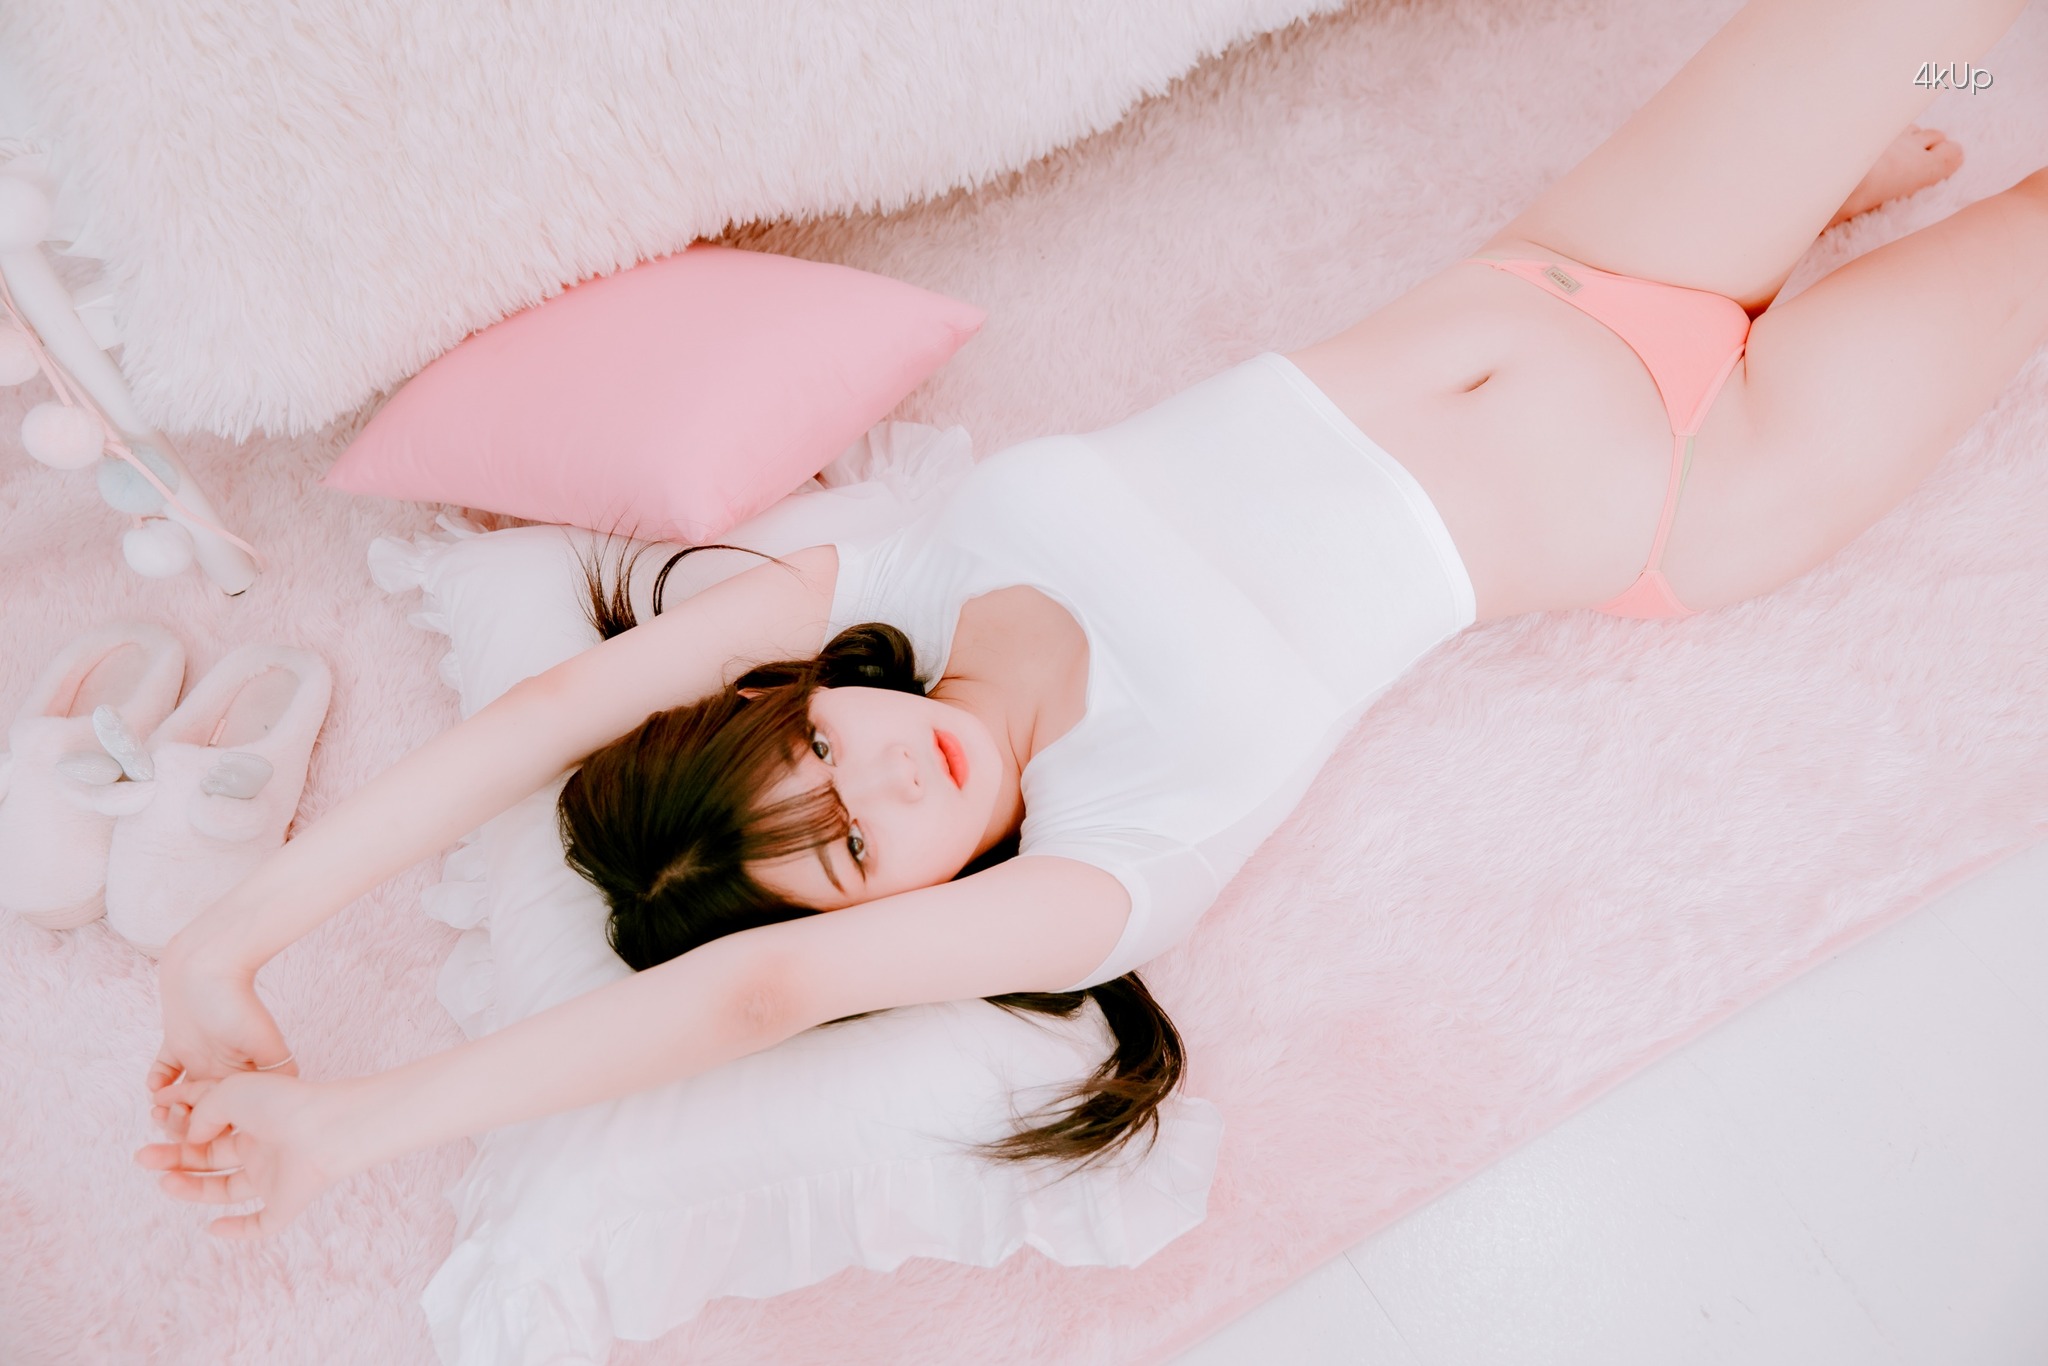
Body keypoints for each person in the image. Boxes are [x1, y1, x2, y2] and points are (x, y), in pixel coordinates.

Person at [140, 0, 2048, 1237]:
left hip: (1585, 261)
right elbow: (754, 991)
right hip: (1703, 491)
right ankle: (1855, 193)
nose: (885, 775)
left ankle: (1853, 170)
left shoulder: (903, 576)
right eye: (856, 849)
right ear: (898, 919)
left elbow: (548, 711)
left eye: (815, 748)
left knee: (1934, 33)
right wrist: (344, 1129)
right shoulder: (1109, 867)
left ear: (802, 691)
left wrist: (230, 937)